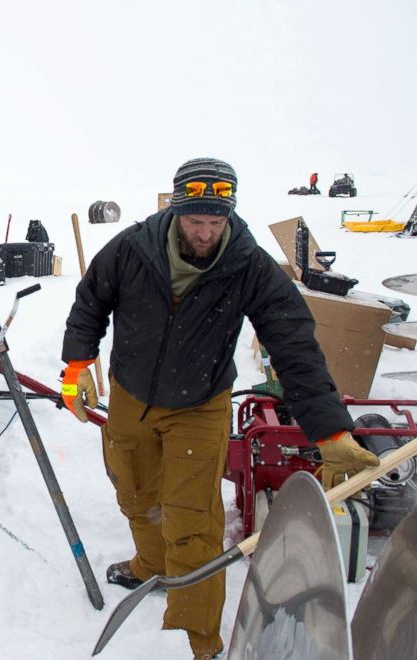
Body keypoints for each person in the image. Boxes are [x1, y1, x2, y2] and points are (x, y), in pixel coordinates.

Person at [59, 158, 379, 659]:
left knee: (192, 521)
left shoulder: (248, 265)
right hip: (131, 397)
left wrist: (329, 429)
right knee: (135, 492)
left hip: (199, 403)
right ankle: (149, 564)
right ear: (176, 210)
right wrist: (77, 365)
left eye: (216, 221)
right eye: (196, 221)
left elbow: (293, 343)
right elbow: (89, 304)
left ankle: (202, 641)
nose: (206, 232)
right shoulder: (132, 248)